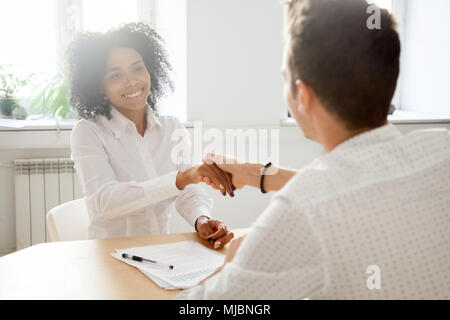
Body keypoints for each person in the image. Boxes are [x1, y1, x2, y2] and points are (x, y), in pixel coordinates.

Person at [177, 0, 450, 299]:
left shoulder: (301, 212)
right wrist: (256, 174)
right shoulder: (440, 148)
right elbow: (358, 187)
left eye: (285, 79)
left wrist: (233, 266)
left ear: (303, 96)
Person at [68, 23, 234, 248]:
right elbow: (106, 202)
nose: (132, 82)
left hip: (160, 252)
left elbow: (190, 191)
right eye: (116, 75)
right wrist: (180, 178)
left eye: (138, 68)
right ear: (99, 86)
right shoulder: (88, 132)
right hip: (110, 256)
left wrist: (201, 219)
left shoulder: (172, 128)